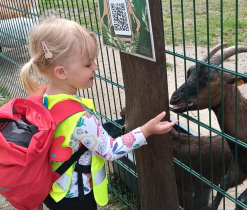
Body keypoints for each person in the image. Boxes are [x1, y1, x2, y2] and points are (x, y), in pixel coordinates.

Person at [20, 17, 178, 210]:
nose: (95, 67)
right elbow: (110, 150)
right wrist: (146, 130)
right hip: (77, 198)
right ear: (61, 72)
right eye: (88, 64)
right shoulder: (80, 119)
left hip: (53, 190)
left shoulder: (43, 97)